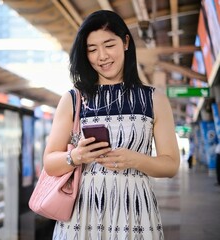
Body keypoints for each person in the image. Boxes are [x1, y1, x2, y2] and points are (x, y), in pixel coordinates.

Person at [43, 10, 180, 239]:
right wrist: (75, 157)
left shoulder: (154, 99)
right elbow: (49, 163)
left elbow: (171, 165)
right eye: (92, 49)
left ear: (126, 42)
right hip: (83, 216)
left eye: (109, 45)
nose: (102, 56)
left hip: (136, 212)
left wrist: (136, 160)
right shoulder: (73, 100)